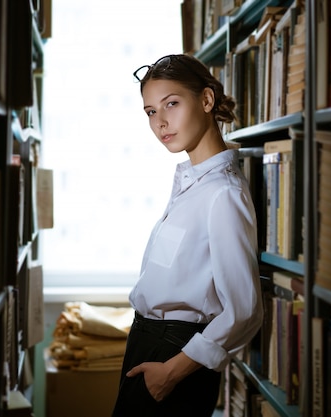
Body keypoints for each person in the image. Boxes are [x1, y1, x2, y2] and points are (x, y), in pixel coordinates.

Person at [111, 53, 263, 417]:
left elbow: (244, 309)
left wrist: (172, 371)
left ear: (206, 100)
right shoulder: (189, 183)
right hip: (146, 345)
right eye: (150, 112)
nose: (160, 122)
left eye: (172, 104)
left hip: (175, 357)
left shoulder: (222, 194)